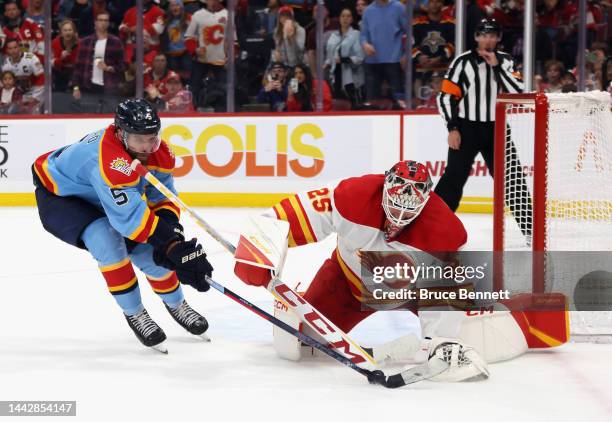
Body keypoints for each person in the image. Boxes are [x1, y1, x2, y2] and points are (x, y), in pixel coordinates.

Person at [233, 161, 568, 379]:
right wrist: (259, 253)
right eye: (394, 201)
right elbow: (280, 218)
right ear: (384, 190)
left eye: (410, 207)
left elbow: (447, 293)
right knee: (301, 341)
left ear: (426, 202)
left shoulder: (445, 233)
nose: (398, 215)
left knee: (458, 339)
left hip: (416, 293)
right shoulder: (351, 196)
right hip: (348, 286)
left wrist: (438, 341)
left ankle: (517, 313)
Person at [32, 99, 213, 353]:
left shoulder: (157, 152)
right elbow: (131, 221)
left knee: (151, 254)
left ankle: (176, 304)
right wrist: (171, 246)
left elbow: (162, 197)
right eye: (140, 139)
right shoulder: (109, 159)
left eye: (152, 137)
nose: (148, 146)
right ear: (120, 133)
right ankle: (135, 312)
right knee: (108, 242)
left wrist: (174, 236)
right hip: (63, 198)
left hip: (99, 191)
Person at [435, 18, 530, 242]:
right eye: (484, 34)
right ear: (476, 37)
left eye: (493, 35)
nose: (488, 39)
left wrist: (496, 66)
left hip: (496, 129)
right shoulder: (462, 62)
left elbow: (518, 93)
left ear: (498, 38)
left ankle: (530, 230)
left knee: (512, 179)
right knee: (453, 178)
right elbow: (446, 97)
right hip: (466, 128)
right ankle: (433, 226)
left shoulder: (506, 61)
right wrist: (453, 127)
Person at [70, 12, 126, 114]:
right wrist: (76, 87)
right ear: (95, 23)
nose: (103, 23)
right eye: (100, 20)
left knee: (111, 120)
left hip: (109, 89)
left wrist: (109, 68)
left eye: (106, 20)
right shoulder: (85, 42)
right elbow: (78, 68)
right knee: (87, 119)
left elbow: (123, 65)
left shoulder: (115, 42)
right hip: (88, 88)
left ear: (108, 23)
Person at [185, 0, 234, 110]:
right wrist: (195, 50)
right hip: (201, 59)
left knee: (224, 88)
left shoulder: (228, 15)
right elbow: (189, 37)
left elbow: (233, 40)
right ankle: (193, 111)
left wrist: (230, 57)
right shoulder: (198, 15)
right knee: (195, 86)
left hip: (220, 60)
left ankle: (224, 112)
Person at [359, 0, 406, 102]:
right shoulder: (368, 11)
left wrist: (405, 54)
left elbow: (409, 31)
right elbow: (363, 35)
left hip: (394, 60)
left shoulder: (399, 8)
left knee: (398, 101)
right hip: (373, 61)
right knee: (371, 101)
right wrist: (365, 44)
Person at [324, 7, 364, 107]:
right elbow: (331, 54)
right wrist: (327, 62)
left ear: (352, 19)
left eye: (348, 16)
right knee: (338, 102)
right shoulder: (333, 35)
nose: (345, 18)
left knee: (352, 103)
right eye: (343, 16)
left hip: (351, 74)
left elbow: (360, 57)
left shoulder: (356, 34)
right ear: (339, 18)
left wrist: (343, 59)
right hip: (335, 73)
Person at [1, 38, 44, 113]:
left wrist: (35, 97)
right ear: (7, 51)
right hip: (18, 96)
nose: (13, 51)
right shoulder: (6, 64)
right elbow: (5, 84)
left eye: (15, 47)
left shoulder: (31, 58)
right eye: (10, 48)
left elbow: (42, 78)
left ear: (19, 47)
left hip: (34, 93)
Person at [162, 0, 193, 80]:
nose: (175, 8)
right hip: (172, 53)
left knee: (187, 75)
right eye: (172, 6)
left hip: (185, 52)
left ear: (182, 7)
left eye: (177, 5)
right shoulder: (166, 20)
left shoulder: (188, 17)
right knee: (174, 76)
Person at [52, 20, 80, 93]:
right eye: (65, 30)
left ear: (74, 32)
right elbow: (52, 64)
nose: (67, 32)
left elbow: (80, 64)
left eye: (70, 30)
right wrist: (61, 58)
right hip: (58, 73)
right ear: (61, 33)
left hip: (74, 74)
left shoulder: (80, 44)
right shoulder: (55, 43)